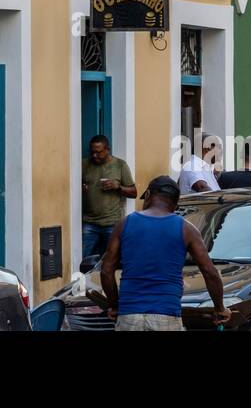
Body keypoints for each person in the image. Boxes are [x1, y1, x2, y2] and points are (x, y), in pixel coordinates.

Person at [100, 176, 230, 331]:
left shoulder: (124, 224)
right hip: (166, 315)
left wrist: (114, 306)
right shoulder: (187, 229)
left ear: (147, 195)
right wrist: (220, 308)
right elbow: (210, 273)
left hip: (129, 314)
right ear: (175, 205)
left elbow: (106, 271)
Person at [81, 136, 137, 259]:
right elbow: (73, 185)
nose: (95, 155)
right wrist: (81, 187)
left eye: (99, 152)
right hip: (89, 223)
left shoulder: (119, 165)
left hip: (112, 224)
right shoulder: (84, 164)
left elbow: (134, 192)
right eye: (92, 152)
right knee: (84, 261)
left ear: (108, 149)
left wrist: (118, 187)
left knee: (110, 261)